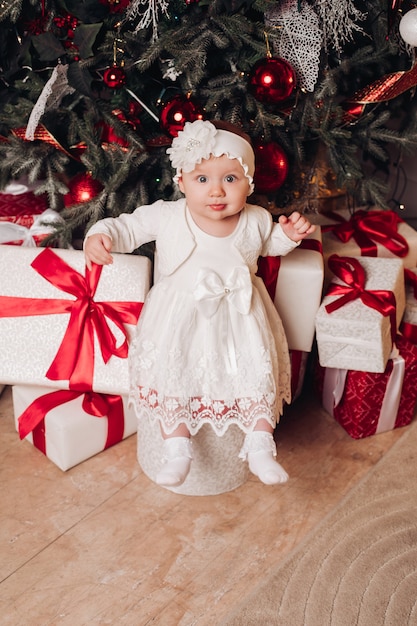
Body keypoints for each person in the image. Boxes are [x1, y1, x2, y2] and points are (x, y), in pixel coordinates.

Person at [84, 119, 315, 488]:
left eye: (230, 179)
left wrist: (287, 236)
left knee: (256, 374)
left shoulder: (255, 219)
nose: (216, 192)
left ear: (249, 184)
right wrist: (100, 236)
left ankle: (259, 443)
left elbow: (268, 244)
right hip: (179, 318)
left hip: (240, 317)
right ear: (182, 182)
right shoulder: (168, 215)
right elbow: (126, 227)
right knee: (172, 377)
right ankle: (177, 448)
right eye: (202, 179)